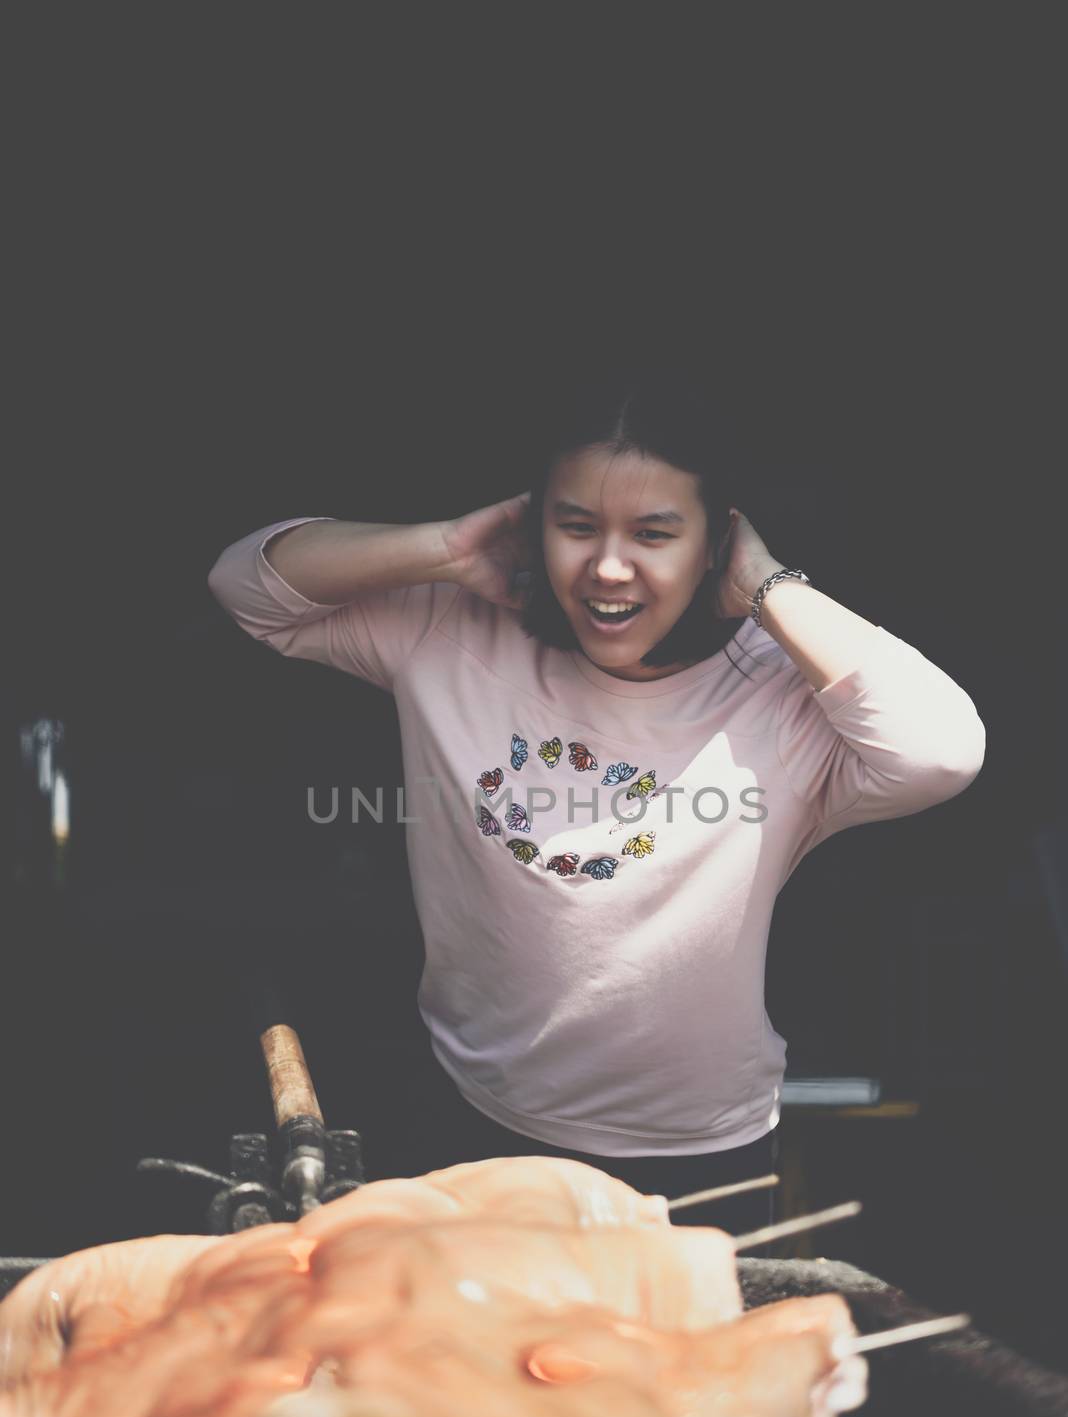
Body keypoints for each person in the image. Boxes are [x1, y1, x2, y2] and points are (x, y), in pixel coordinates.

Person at [207, 369, 985, 1231]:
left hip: (698, 1151)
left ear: (714, 543)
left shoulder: (781, 698)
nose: (608, 567)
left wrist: (766, 585)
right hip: (475, 1116)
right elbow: (248, 588)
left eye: (655, 533)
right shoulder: (448, 629)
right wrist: (448, 547)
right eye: (576, 526)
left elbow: (941, 752)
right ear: (534, 522)